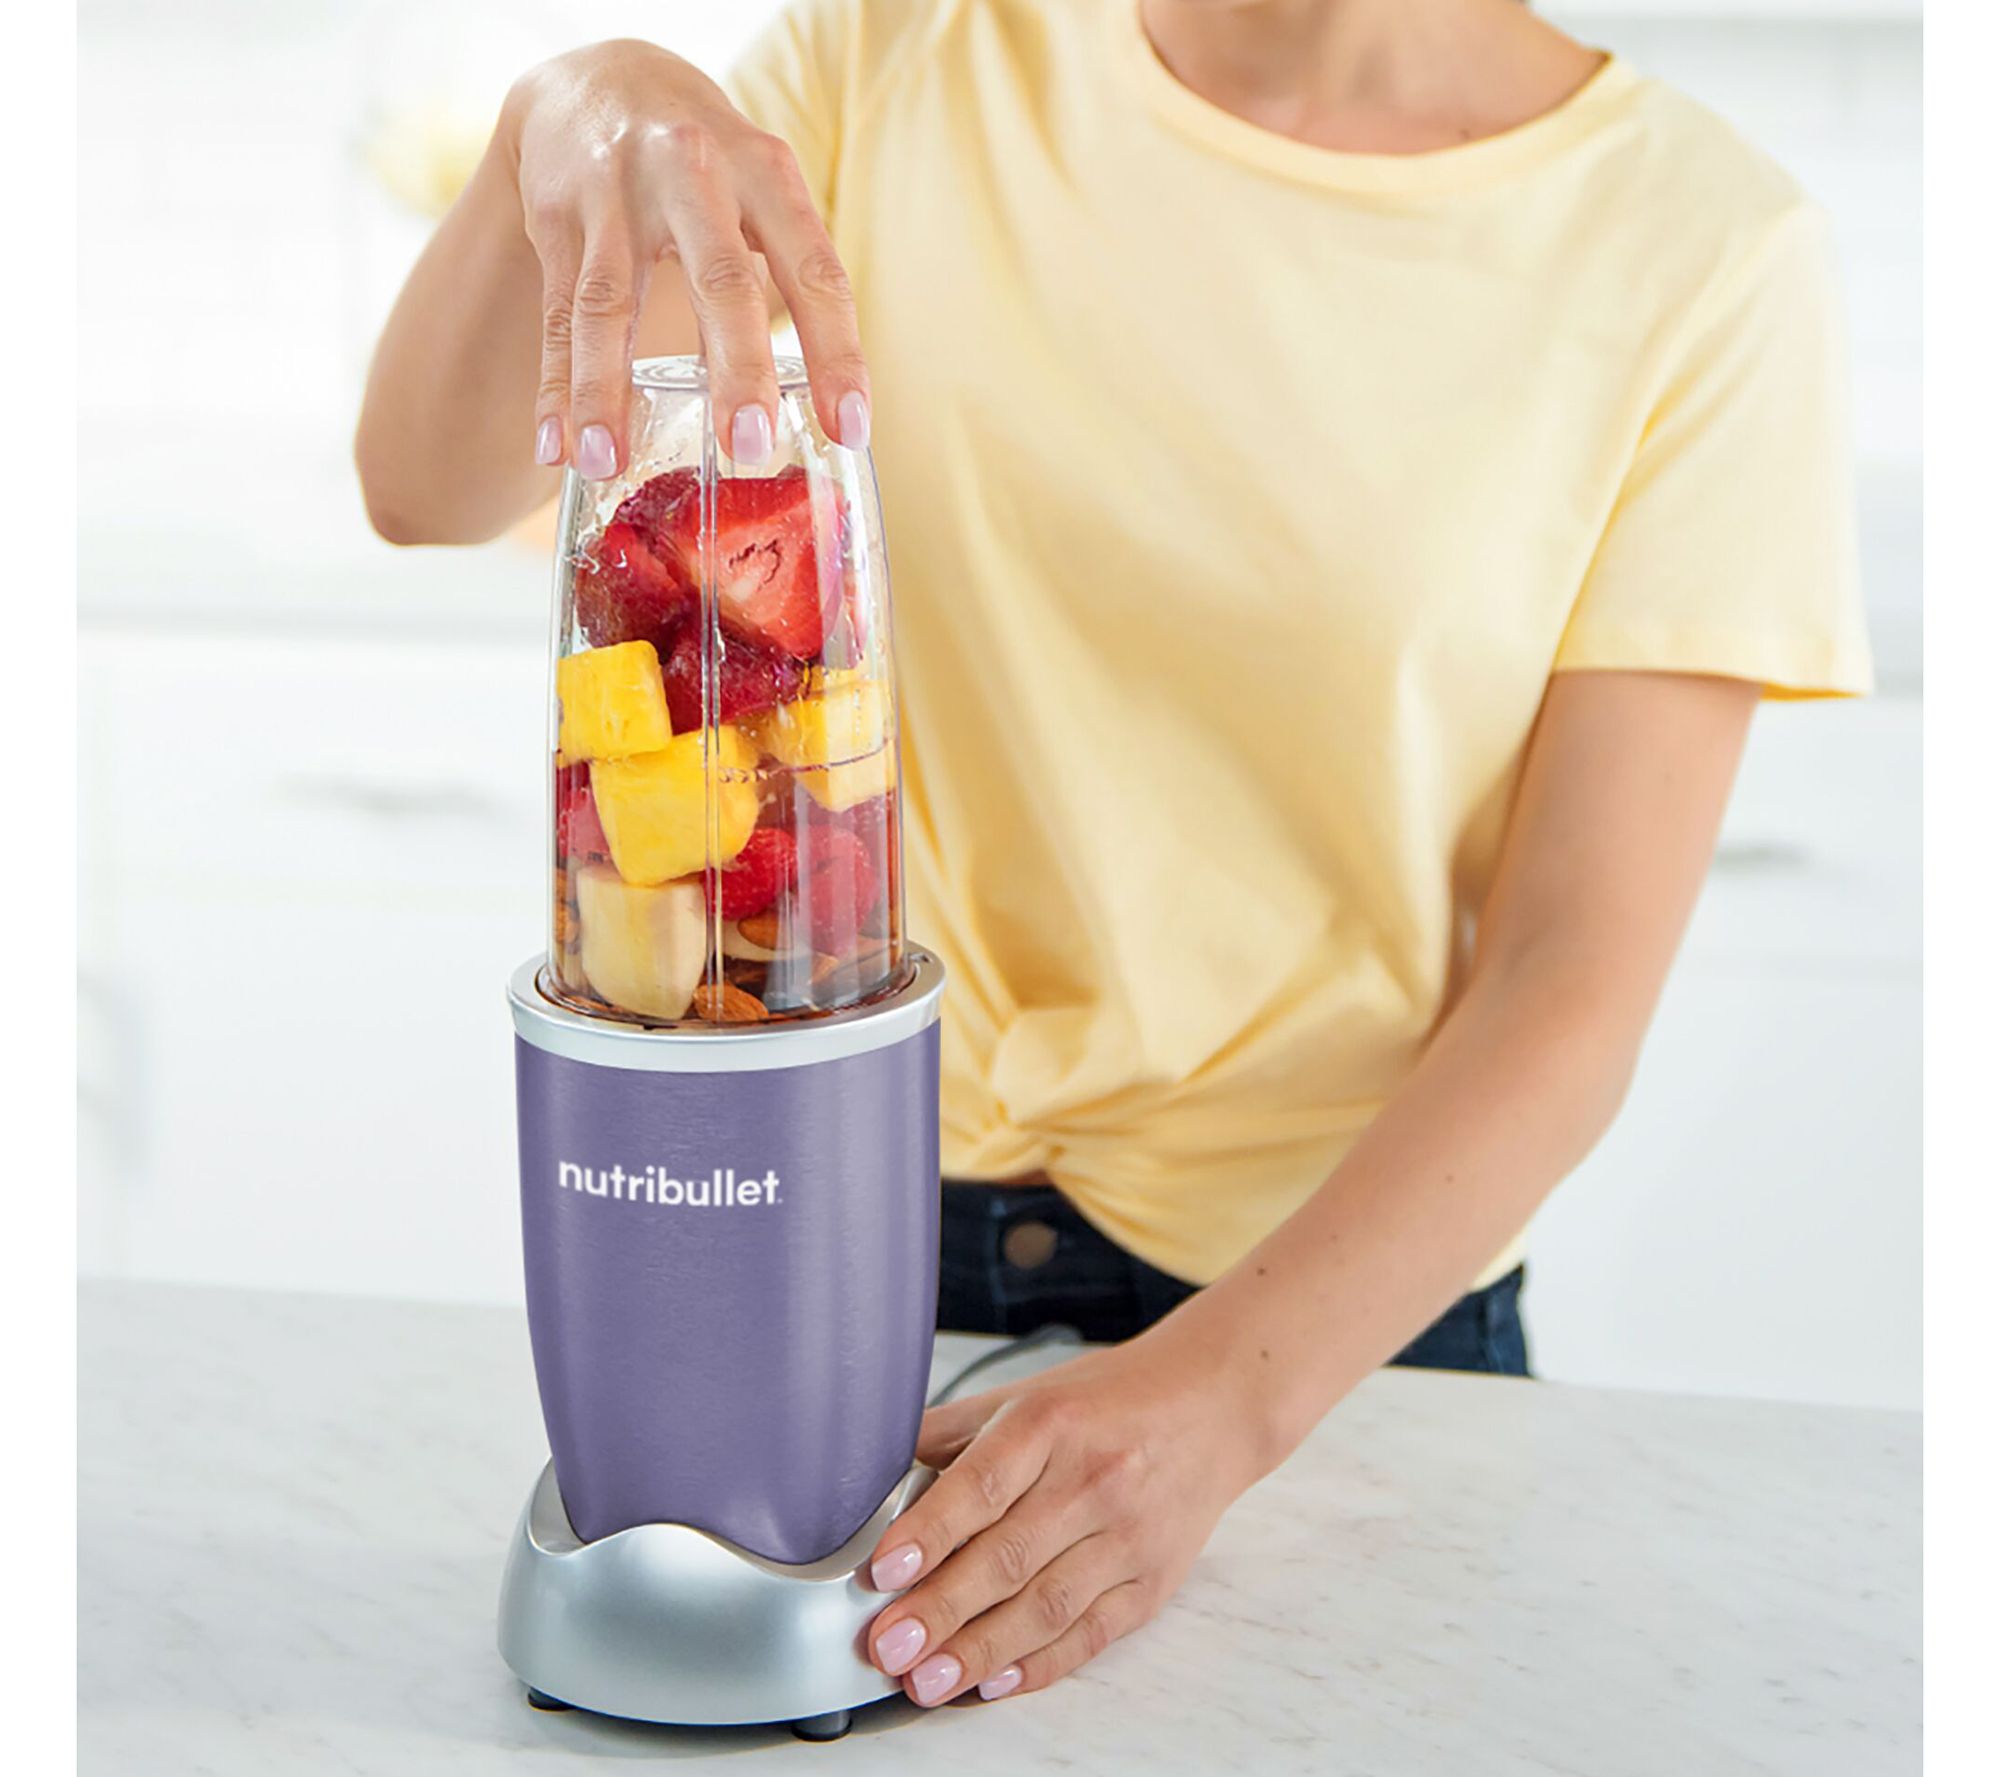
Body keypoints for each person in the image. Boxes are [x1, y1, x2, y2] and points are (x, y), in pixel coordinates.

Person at [356, 0, 1870, 1715]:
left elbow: (1569, 981)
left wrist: (1220, 1406)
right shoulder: (896, 56)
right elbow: (422, 481)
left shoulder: (1706, 250)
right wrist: (558, 116)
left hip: (1324, 1340)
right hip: (853, 1248)